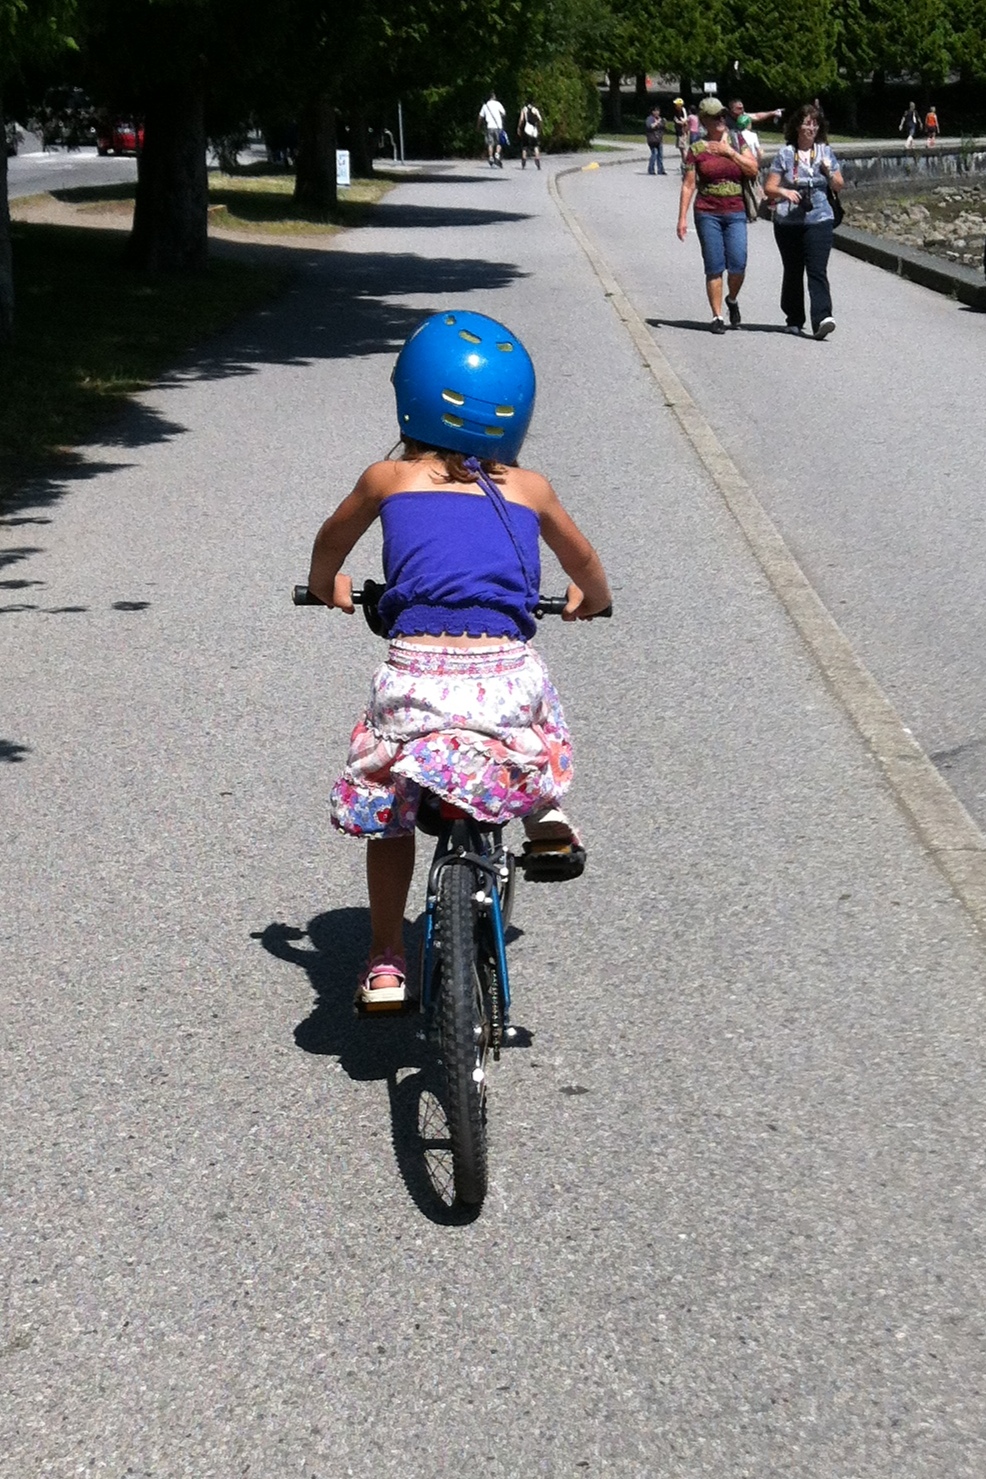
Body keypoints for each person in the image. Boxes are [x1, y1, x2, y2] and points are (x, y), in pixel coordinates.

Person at [306, 310, 612, 1006]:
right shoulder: (530, 489)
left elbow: (330, 543)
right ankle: (545, 815)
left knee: (390, 804)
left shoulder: (386, 478)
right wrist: (588, 599)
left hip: (415, 681)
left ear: (411, 395)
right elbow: (588, 567)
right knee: (534, 723)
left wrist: (329, 587)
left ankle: (386, 961)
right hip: (500, 677)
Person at [676, 96, 760, 334]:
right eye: (715, 117)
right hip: (707, 212)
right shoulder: (696, 149)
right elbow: (688, 185)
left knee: (738, 264)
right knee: (714, 265)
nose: (721, 120)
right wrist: (682, 218)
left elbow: (753, 168)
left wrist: (729, 153)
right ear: (704, 121)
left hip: (735, 211)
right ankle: (717, 316)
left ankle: (731, 299)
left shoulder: (737, 141)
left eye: (723, 115)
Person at [764, 103, 844, 339]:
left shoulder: (825, 152)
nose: (812, 128)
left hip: (819, 217)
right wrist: (785, 192)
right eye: (808, 123)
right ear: (798, 126)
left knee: (817, 269)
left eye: (816, 124)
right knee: (793, 270)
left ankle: (822, 318)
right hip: (788, 221)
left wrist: (829, 172)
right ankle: (794, 318)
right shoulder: (786, 154)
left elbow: (839, 185)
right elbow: (769, 187)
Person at [478, 91, 506, 168]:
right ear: (494, 97)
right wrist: (499, 117)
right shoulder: (498, 104)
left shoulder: (485, 106)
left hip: (489, 126)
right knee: (499, 142)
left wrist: (478, 126)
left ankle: (490, 157)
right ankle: (497, 155)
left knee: (490, 143)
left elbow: (480, 117)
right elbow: (504, 113)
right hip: (498, 126)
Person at [517, 98, 543, 170]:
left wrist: (519, 128)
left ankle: (523, 162)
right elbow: (540, 120)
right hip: (534, 130)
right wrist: (539, 129)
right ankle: (537, 161)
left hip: (526, 129)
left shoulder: (524, 109)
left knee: (524, 146)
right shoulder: (535, 110)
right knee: (535, 146)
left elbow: (521, 119)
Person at [645, 104, 667, 175]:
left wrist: (664, 123)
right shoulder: (650, 119)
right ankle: (651, 169)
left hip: (659, 139)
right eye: (656, 111)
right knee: (654, 153)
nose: (657, 112)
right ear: (652, 112)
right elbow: (650, 126)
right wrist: (657, 122)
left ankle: (661, 170)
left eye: (658, 111)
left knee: (660, 155)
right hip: (652, 139)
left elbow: (663, 128)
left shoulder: (660, 119)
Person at [672, 97, 689, 170]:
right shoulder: (677, 112)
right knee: (681, 149)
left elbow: (685, 122)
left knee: (683, 149)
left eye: (676, 104)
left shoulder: (682, 111)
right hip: (679, 132)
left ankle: (686, 163)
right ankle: (683, 163)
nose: (675, 106)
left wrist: (677, 121)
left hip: (682, 133)